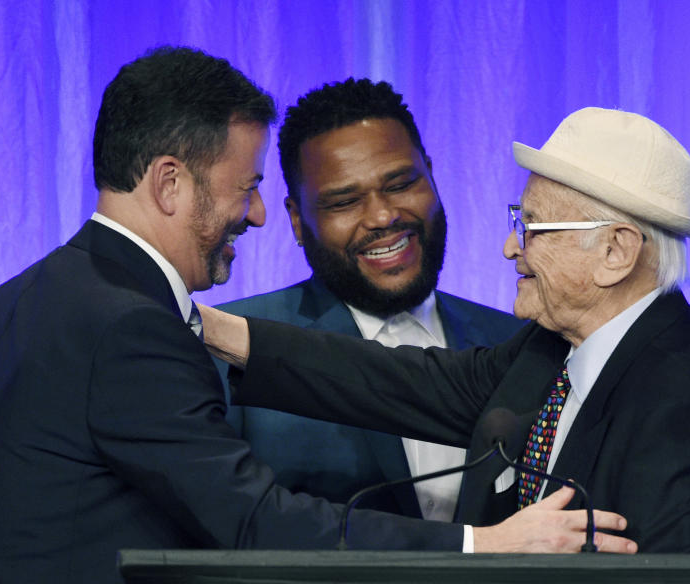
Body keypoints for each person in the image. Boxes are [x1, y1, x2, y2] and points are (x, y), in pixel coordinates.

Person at [0, 50, 636, 584]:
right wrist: (486, 547)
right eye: (245, 186)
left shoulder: (1, 306)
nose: (253, 214)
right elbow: (252, 522)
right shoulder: (133, 324)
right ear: (169, 185)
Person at [201, 106, 690, 553]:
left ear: (616, 251)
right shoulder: (551, 353)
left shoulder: (681, 405)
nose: (509, 248)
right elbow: (403, 382)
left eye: (533, 227)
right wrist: (207, 325)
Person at [216, 78, 522, 523]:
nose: (383, 216)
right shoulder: (235, 347)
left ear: (433, 177)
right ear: (297, 221)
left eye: (401, 184)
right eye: (345, 202)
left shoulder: (518, 342)